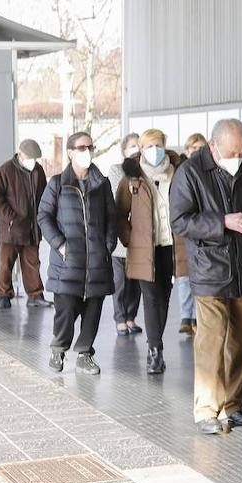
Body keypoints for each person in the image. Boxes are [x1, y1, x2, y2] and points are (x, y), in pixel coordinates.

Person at [170, 118, 242, 435]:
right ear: (213, 146)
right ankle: (206, 409)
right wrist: (223, 221)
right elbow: (180, 222)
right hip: (210, 272)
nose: (238, 158)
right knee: (211, 343)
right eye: (232, 152)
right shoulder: (190, 173)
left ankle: (234, 406)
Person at [37, 131, 116, 375]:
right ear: (70, 152)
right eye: (81, 148)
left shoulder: (101, 184)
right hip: (67, 262)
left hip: (97, 262)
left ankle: (85, 354)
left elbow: (111, 218)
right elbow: (43, 216)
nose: (87, 152)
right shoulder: (58, 183)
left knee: (93, 311)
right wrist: (60, 244)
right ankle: (58, 349)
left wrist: (108, 244)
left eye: (90, 147)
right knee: (65, 311)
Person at [115, 128, 183, 374]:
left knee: (164, 297)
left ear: (165, 146)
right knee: (152, 298)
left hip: (170, 246)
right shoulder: (132, 177)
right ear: (141, 149)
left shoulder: (178, 173)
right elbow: (120, 213)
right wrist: (128, 238)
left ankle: (157, 344)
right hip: (144, 248)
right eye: (149, 146)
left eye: (158, 145)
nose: (154, 151)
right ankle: (155, 351)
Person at [0, 139, 52, 310]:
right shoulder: (6, 170)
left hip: (32, 228)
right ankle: (3, 295)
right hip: (11, 228)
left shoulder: (38, 170)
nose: (33, 161)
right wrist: (10, 217)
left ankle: (35, 295)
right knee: (6, 263)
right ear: (21, 155)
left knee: (32, 262)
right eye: (30, 158)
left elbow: (44, 195)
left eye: (35, 159)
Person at [108, 132, 143, 336]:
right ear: (124, 150)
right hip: (121, 240)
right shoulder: (116, 170)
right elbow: (117, 198)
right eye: (132, 146)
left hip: (140, 239)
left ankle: (131, 317)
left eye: (139, 146)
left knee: (135, 284)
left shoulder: (144, 171)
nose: (136, 149)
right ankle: (120, 319)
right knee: (120, 283)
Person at [175, 132, 207, 336]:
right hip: (184, 231)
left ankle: (197, 316)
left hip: (205, 229)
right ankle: (186, 316)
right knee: (185, 277)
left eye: (200, 148)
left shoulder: (210, 171)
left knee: (202, 277)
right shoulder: (180, 172)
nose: (196, 152)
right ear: (186, 151)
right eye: (192, 148)